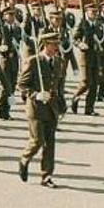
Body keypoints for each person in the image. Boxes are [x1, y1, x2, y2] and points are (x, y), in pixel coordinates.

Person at [17, 32, 67, 188]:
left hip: (52, 107)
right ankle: (24, 159)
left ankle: (46, 176)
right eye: (53, 44)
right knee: (37, 140)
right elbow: (22, 85)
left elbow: (59, 86)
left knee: (50, 144)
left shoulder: (59, 61)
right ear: (45, 45)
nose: (56, 47)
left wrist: (62, 106)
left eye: (57, 44)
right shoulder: (33, 62)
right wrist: (35, 94)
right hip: (36, 108)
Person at [71, 3, 101, 116]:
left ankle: (89, 108)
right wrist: (80, 44)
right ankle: (76, 97)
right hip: (85, 57)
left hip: (96, 56)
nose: (94, 14)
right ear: (87, 12)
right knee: (86, 82)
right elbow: (74, 39)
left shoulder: (98, 24)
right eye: (91, 11)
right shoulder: (82, 23)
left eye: (95, 12)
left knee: (94, 84)